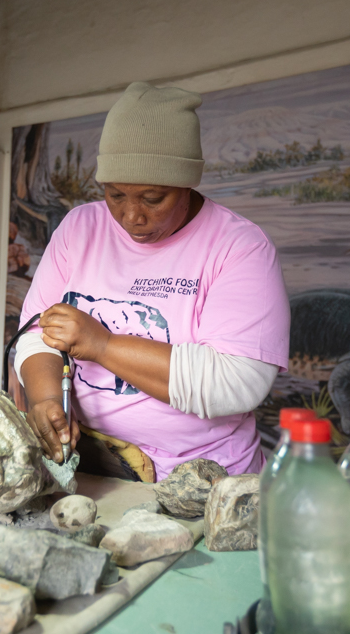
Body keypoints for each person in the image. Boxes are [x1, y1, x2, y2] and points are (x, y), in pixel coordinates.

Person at [15, 81, 290, 481]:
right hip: (92, 464)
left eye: (152, 198)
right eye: (115, 195)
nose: (131, 217)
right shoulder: (80, 228)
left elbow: (236, 383)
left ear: (186, 183)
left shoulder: (240, 247)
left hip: (200, 477)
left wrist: (103, 345)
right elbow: (36, 333)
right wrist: (44, 399)